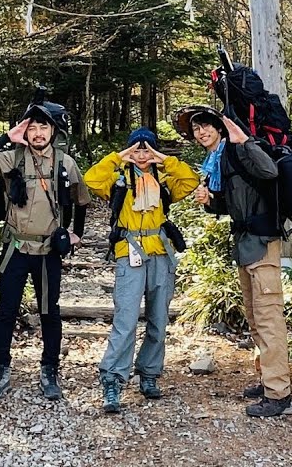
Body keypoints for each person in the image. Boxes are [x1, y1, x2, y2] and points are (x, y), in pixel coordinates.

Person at [177, 105, 292, 418]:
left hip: (261, 242)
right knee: (255, 316)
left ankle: (279, 394)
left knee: (269, 317)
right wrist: (210, 202)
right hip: (245, 243)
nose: (201, 133)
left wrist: (244, 140)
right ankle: (267, 377)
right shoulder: (219, 161)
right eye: (196, 129)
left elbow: (270, 172)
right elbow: (234, 204)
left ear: (219, 127)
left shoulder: (239, 149)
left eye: (206, 126)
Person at [0, 100, 90, 401]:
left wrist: (76, 232)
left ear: (54, 130)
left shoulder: (65, 162)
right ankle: (0, 370)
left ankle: (49, 369)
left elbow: (81, 199)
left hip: (49, 248)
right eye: (33, 127)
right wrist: (7, 137)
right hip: (15, 246)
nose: (38, 133)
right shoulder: (11, 158)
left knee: (50, 311)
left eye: (44, 127)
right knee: (6, 312)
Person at [84, 127, 199, 413]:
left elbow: (191, 180)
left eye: (147, 148)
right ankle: (112, 379)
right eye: (137, 148)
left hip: (160, 252)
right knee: (126, 320)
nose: (142, 154)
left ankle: (149, 373)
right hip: (129, 251)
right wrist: (119, 156)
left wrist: (163, 159)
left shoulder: (164, 178)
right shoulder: (119, 179)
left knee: (159, 319)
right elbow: (91, 179)